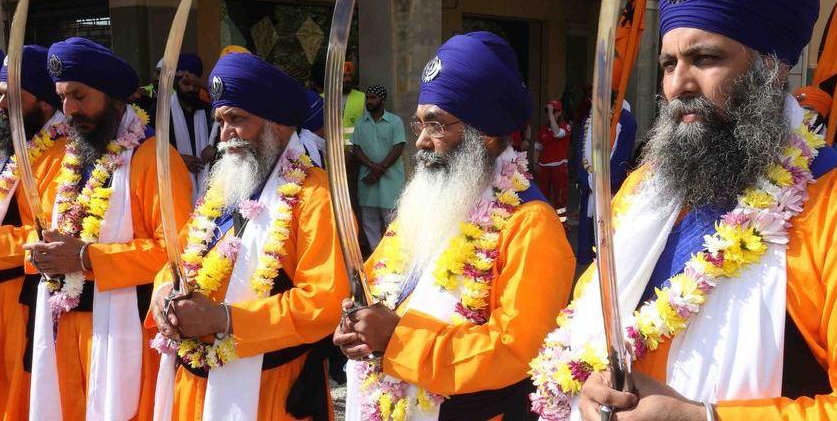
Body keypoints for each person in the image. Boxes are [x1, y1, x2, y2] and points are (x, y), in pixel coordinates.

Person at [528, 0, 837, 420]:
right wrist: (589, 386)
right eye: (669, 63)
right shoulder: (643, 187)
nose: (677, 86)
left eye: (705, 59)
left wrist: (703, 417)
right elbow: (592, 316)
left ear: (771, 71)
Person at [334, 31, 576, 420]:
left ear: (489, 135)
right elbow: (375, 279)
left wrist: (398, 340)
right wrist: (355, 322)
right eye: (419, 126)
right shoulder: (428, 205)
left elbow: (516, 350)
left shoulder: (531, 225)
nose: (422, 143)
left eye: (437, 125)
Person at [149, 52, 348, 420]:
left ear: (278, 125)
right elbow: (179, 260)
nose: (225, 135)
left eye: (237, 120)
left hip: (269, 389)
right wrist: (163, 293)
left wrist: (225, 319)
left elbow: (325, 301)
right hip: (194, 382)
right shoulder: (223, 187)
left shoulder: (314, 193)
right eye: (220, 122)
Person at [20, 37, 193, 420]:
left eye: (79, 96)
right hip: (64, 322)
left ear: (114, 97)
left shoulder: (155, 159)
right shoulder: (71, 155)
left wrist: (86, 258)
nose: (68, 109)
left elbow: (175, 255)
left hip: (128, 329)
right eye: (63, 97)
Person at [0, 45, 69, 420]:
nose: (2, 104)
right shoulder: (19, 143)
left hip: (20, 297)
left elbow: (47, 234)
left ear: (43, 101)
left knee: (19, 398)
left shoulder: (61, 153)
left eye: (12, 97)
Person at [571, 99, 637, 266]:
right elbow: (581, 149)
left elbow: (622, 155)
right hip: (589, 182)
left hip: (610, 188)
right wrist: (588, 178)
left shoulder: (626, 120)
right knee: (588, 230)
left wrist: (606, 180)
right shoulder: (590, 119)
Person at [148, 53, 217, 199]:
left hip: (209, 189)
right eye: (186, 84)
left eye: (195, 85)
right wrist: (178, 159)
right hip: (173, 187)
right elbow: (150, 148)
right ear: (175, 84)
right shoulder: (161, 112)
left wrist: (214, 149)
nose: (192, 88)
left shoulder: (207, 109)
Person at [350, 84, 406, 251]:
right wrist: (372, 167)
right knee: (369, 222)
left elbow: (398, 147)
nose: (369, 101)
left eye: (373, 98)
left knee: (392, 222)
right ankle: (377, 257)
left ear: (382, 100)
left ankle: (393, 257)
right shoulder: (361, 123)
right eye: (367, 97)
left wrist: (378, 169)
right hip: (368, 180)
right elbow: (356, 148)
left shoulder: (394, 121)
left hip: (391, 180)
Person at [535, 100, 572, 209]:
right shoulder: (543, 130)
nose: (550, 113)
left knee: (560, 198)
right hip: (544, 167)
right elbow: (537, 147)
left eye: (554, 111)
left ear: (560, 112)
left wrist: (551, 114)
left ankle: (562, 224)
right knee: (543, 198)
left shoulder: (566, 127)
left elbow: (557, 134)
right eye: (548, 111)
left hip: (559, 167)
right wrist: (535, 162)